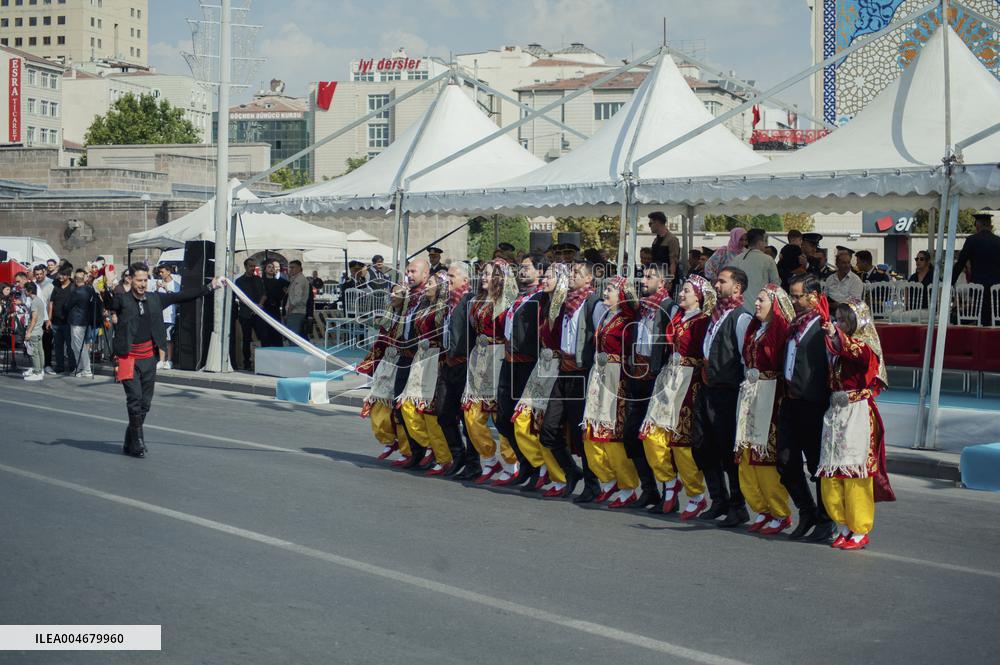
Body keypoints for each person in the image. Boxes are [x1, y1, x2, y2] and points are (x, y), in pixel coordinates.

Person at [111, 264, 222, 457]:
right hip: (127, 358)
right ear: (130, 280)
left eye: (145, 280)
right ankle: (138, 441)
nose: (142, 284)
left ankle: (131, 440)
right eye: (139, 280)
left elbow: (181, 296)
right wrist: (105, 285)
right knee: (134, 398)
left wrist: (209, 286)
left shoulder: (155, 298)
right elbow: (108, 303)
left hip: (148, 358)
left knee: (145, 403)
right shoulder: (122, 300)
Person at [819, 299, 895, 550]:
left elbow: (853, 350)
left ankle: (860, 529)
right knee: (830, 472)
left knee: (854, 472)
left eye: (844, 320)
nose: (839, 323)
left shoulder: (865, 347)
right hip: (835, 413)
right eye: (837, 319)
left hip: (857, 413)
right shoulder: (837, 346)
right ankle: (843, 525)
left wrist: (835, 334)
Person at [641, 275, 712, 518]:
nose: (681, 294)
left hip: (689, 383)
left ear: (698, 297)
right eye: (681, 290)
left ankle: (696, 495)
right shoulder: (677, 316)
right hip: (668, 378)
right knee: (651, 435)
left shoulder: (703, 321)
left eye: (687, 291)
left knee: (682, 443)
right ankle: (669, 482)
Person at [539, 260, 606, 502]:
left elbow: (602, 335)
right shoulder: (566, 303)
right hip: (563, 371)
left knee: (580, 433)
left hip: (581, 373)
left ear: (589, 279)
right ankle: (571, 470)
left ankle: (592, 484)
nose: (572, 275)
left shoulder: (593, 304)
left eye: (577, 272)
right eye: (571, 272)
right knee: (548, 429)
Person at [694, 266, 753, 527]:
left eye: (722, 281)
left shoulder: (741, 317)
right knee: (702, 445)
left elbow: (745, 359)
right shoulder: (716, 314)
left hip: (727, 392)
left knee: (727, 451)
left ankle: (737, 506)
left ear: (737, 287)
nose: (716, 286)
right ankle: (719, 499)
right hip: (708, 388)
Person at [778, 274, 835, 542]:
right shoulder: (794, 325)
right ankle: (806, 510)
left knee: (815, 463)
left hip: (813, 403)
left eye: (798, 296)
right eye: (791, 295)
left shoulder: (824, 327)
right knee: (785, 460)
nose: (793, 300)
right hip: (790, 400)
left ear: (813, 296)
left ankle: (825, 519)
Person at [734, 285, 794, 535]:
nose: (756, 304)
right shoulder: (755, 328)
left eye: (762, 300)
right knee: (746, 452)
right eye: (756, 300)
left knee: (764, 455)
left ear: (775, 305)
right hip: (751, 394)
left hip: (771, 395)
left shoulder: (782, 330)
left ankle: (779, 512)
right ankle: (760, 508)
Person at [583, 276, 642, 507]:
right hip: (598, 375)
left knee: (613, 434)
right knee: (591, 430)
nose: (605, 293)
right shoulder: (606, 316)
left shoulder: (629, 320)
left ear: (622, 294)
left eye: (610, 289)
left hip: (616, 378)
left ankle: (627, 487)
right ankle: (607, 481)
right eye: (605, 288)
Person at [512, 263, 570, 497]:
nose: (544, 280)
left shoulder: (566, 305)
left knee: (548, 426)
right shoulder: (543, 302)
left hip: (558, 368)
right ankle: (540, 465)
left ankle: (560, 474)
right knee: (521, 420)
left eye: (550, 277)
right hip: (542, 367)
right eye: (544, 276)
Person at [459, 259, 520, 482]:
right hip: (479, 358)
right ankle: (489, 457)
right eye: (483, 273)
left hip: (498, 356)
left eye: (489, 274)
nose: (484, 277)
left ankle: (510, 462)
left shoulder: (508, 301)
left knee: (498, 412)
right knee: (471, 413)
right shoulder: (476, 301)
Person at [624, 263, 678, 510]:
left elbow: (673, 345)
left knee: (656, 438)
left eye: (649, 277)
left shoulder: (668, 308)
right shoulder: (642, 308)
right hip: (638, 376)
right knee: (632, 435)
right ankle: (649, 489)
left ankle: (670, 489)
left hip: (657, 379)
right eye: (643, 276)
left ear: (662, 282)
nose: (643, 281)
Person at [493, 254, 546, 487]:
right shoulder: (518, 297)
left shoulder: (542, 298)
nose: (522, 271)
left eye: (527, 267)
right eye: (520, 267)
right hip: (509, 362)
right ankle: (525, 463)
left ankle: (538, 466)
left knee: (524, 420)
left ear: (539, 271)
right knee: (503, 418)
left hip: (528, 364)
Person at [397, 272, 454, 475]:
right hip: (420, 359)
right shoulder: (423, 305)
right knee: (407, 406)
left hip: (436, 360)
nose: (427, 286)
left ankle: (443, 457)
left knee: (430, 412)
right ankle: (428, 445)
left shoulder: (445, 308)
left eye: (431, 283)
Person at [358, 284, 410, 462]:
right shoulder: (388, 317)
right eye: (392, 292)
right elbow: (380, 343)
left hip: (403, 364)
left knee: (399, 411)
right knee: (378, 406)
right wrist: (369, 363)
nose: (392, 295)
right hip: (386, 366)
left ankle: (407, 450)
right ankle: (389, 440)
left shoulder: (409, 317)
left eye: (397, 292)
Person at [390, 259, 432, 469]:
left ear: (425, 274)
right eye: (408, 271)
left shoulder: (429, 296)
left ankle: (430, 450)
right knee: (399, 405)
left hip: (421, 357)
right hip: (405, 355)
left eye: (413, 271)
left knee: (417, 407)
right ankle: (416, 451)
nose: (409, 274)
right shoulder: (408, 295)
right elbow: (392, 307)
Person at [437, 261, 477, 478]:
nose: (447, 280)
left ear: (465, 280)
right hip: (447, 363)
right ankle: (458, 455)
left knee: (465, 416)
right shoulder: (447, 302)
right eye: (447, 276)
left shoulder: (470, 300)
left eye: (452, 276)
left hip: (464, 364)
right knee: (443, 413)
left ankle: (473, 463)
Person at [952, 212, 1000, 325]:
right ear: (990, 225)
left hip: (978, 287)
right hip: (997, 287)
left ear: (978, 225)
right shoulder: (998, 241)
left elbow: (960, 263)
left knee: (981, 318)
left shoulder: (972, 240)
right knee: (995, 317)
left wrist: (950, 281)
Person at [725, 228, 779, 306]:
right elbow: (775, 285)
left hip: (740, 306)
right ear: (760, 243)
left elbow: (729, 283)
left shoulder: (737, 259)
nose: (766, 245)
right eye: (765, 241)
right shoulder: (768, 260)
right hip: (761, 306)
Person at [234, 259, 267, 370]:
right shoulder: (239, 281)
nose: (253, 268)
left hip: (258, 313)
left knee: (263, 337)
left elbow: (264, 294)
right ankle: (247, 363)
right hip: (245, 313)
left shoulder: (258, 279)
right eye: (250, 266)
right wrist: (252, 306)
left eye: (254, 266)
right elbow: (240, 297)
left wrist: (260, 305)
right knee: (246, 339)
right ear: (245, 267)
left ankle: (263, 362)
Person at [66, 269, 97, 378]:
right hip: (84, 319)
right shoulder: (90, 290)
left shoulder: (77, 292)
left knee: (78, 346)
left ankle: (86, 369)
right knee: (76, 345)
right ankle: (80, 367)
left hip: (77, 320)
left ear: (76, 280)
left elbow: (68, 305)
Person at [48, 265, 76, 375]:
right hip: (56, 322)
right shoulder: (56, 286)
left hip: (68, 322)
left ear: (68, 276)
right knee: (58, 346)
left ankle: (72, 366)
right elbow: (51, 303)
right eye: (60, 274)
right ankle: (60, 366)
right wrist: (49, 319)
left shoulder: (73, 287)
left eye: (63, 275)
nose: (60, 277)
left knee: (70, 346)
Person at [154, 265, 181, 369]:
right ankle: (161, 360)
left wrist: (166, 289)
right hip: (159, 315)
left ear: (169, 272)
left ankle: (169, 360)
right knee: (160, 338)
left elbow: (176, 298)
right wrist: (157, 288)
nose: (161, 274)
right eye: (159, 272)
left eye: (162, 272)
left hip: (169, 315)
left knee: (169, 338)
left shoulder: (175, 284)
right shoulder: (158, 283)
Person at [32, 264, 55, 374]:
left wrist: (49, 319)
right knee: (36, 343)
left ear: (45, 272)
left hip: (46, 318)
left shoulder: (50, 284)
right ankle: (37, 365)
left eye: (41, 274)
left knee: (47, 343)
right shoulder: (33, 284)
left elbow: (51, 303)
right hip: (35, 318)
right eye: (37, 274)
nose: (39, 276)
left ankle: (48, 364)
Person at [23, 282, 45, 381]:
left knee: (34, 353)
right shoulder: (39, 301)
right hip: (39, 330)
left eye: (25, 290)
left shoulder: (34, 302)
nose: (24, 291)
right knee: (40, 352)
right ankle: (40, 370)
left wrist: (29, 332)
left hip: (34, 331)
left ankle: (37, 372)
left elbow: (34, 318)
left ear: (30, 291)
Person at [648, 211, 680, 280]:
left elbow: (673, 262)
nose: (649, 226)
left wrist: (670, 280)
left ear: (657, 222)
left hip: (666, 279)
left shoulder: (672, 239)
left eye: (650, 224)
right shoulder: (656, 240)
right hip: (657, 278)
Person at [261, 260, 286, 346]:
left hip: (275, 310)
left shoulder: (280, 281)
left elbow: (286, 291)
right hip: (265, 310)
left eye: (273, 267)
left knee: (276, 332)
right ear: (265, 269)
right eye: (269, 267)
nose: (271, 269)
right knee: (265, 334)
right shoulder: (261, 282)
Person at [285, 260, 310, 339]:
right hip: (296, 311)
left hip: (296, 312)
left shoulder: (299, 280)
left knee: (293, 338)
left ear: (299, 268)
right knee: (295, 336)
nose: (290, 270)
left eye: (293, 267)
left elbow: (297, 297)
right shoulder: (296, 279)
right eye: (290, 268)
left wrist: (290, 308)